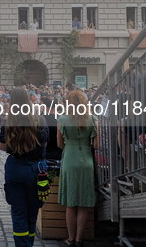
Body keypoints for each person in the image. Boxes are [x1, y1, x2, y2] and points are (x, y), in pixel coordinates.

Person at [0, 88, 48, 246]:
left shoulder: (8, 122)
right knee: (32, 213)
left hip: (15, 168)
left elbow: (1, 146)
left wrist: (16, 146)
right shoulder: (39, 120)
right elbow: (43, 144)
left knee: (19, 213)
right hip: (35, 169)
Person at [57, 90, 99, 246]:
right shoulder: (92, 119)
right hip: (86, 160)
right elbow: (96, 145)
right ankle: (79, 239)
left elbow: (60, 144)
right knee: (83, 203)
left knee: (71, 202)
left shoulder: (62, 120)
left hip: (69, 159)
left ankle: (71, 238)